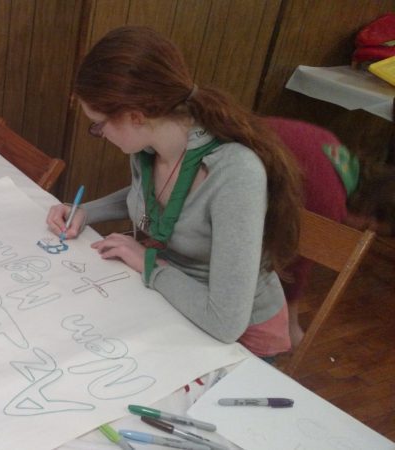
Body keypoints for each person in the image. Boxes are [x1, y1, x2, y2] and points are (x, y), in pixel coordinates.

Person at [46, 26, 303, 359]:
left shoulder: (235, 173)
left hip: (238, 338)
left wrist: (148, 264)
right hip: (173, 301)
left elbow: (225, 323)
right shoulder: (151, 147)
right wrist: (86, 211)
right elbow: (155, 198)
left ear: (135, 116)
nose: (100, 134)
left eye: (99, 125)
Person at [265, 116, 395, 347]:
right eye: (366, 227)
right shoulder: (329, 200)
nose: (357, 230)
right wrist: (291, 325)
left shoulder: (333, 145)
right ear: (370, 212)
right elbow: (294, 265)